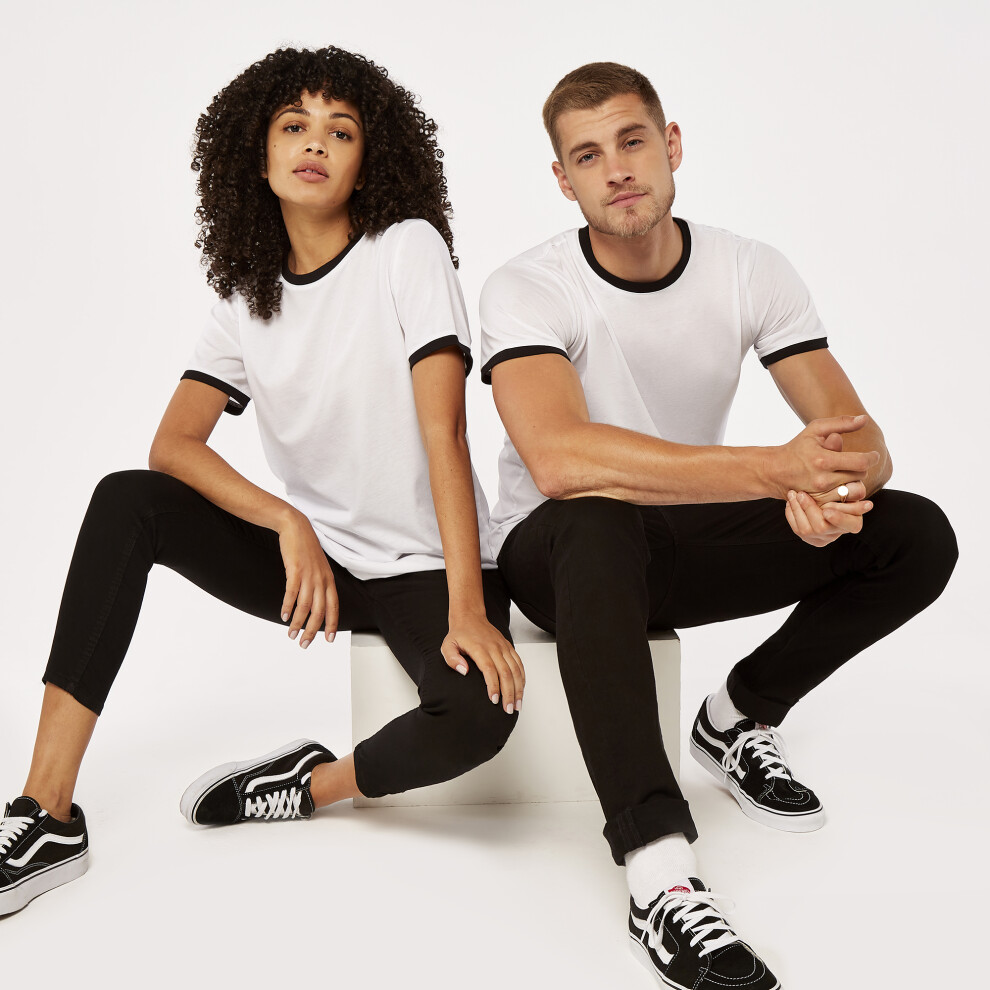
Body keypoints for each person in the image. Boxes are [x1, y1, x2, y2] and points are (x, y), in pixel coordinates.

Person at [0, 45, 524, 917]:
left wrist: (467, 606)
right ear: (259, 152)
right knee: (128, 501)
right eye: (293, 126)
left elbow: (447, 431)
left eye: (340, 131)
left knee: (479, 717)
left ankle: (305, 785)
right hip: (318, 568)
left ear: (369, 162)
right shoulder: (246, 297)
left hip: (428, 566)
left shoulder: (405, 250)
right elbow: (174, 445)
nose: (314, 143)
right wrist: (287, 520)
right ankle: (46, 811)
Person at [479, 61, 957, 990]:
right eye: (589, 155)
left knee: (913, 534)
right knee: (596, 518)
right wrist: (775, 471)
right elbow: (560, 461)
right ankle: (658, 872)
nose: (618, 168)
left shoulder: (749, 269)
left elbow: (863, 443)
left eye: (632, 141)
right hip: (558, 554)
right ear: (563, 180)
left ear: (672, 145)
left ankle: (735, 719)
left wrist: (832, 495)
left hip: (680, 539)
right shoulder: (528, 286)